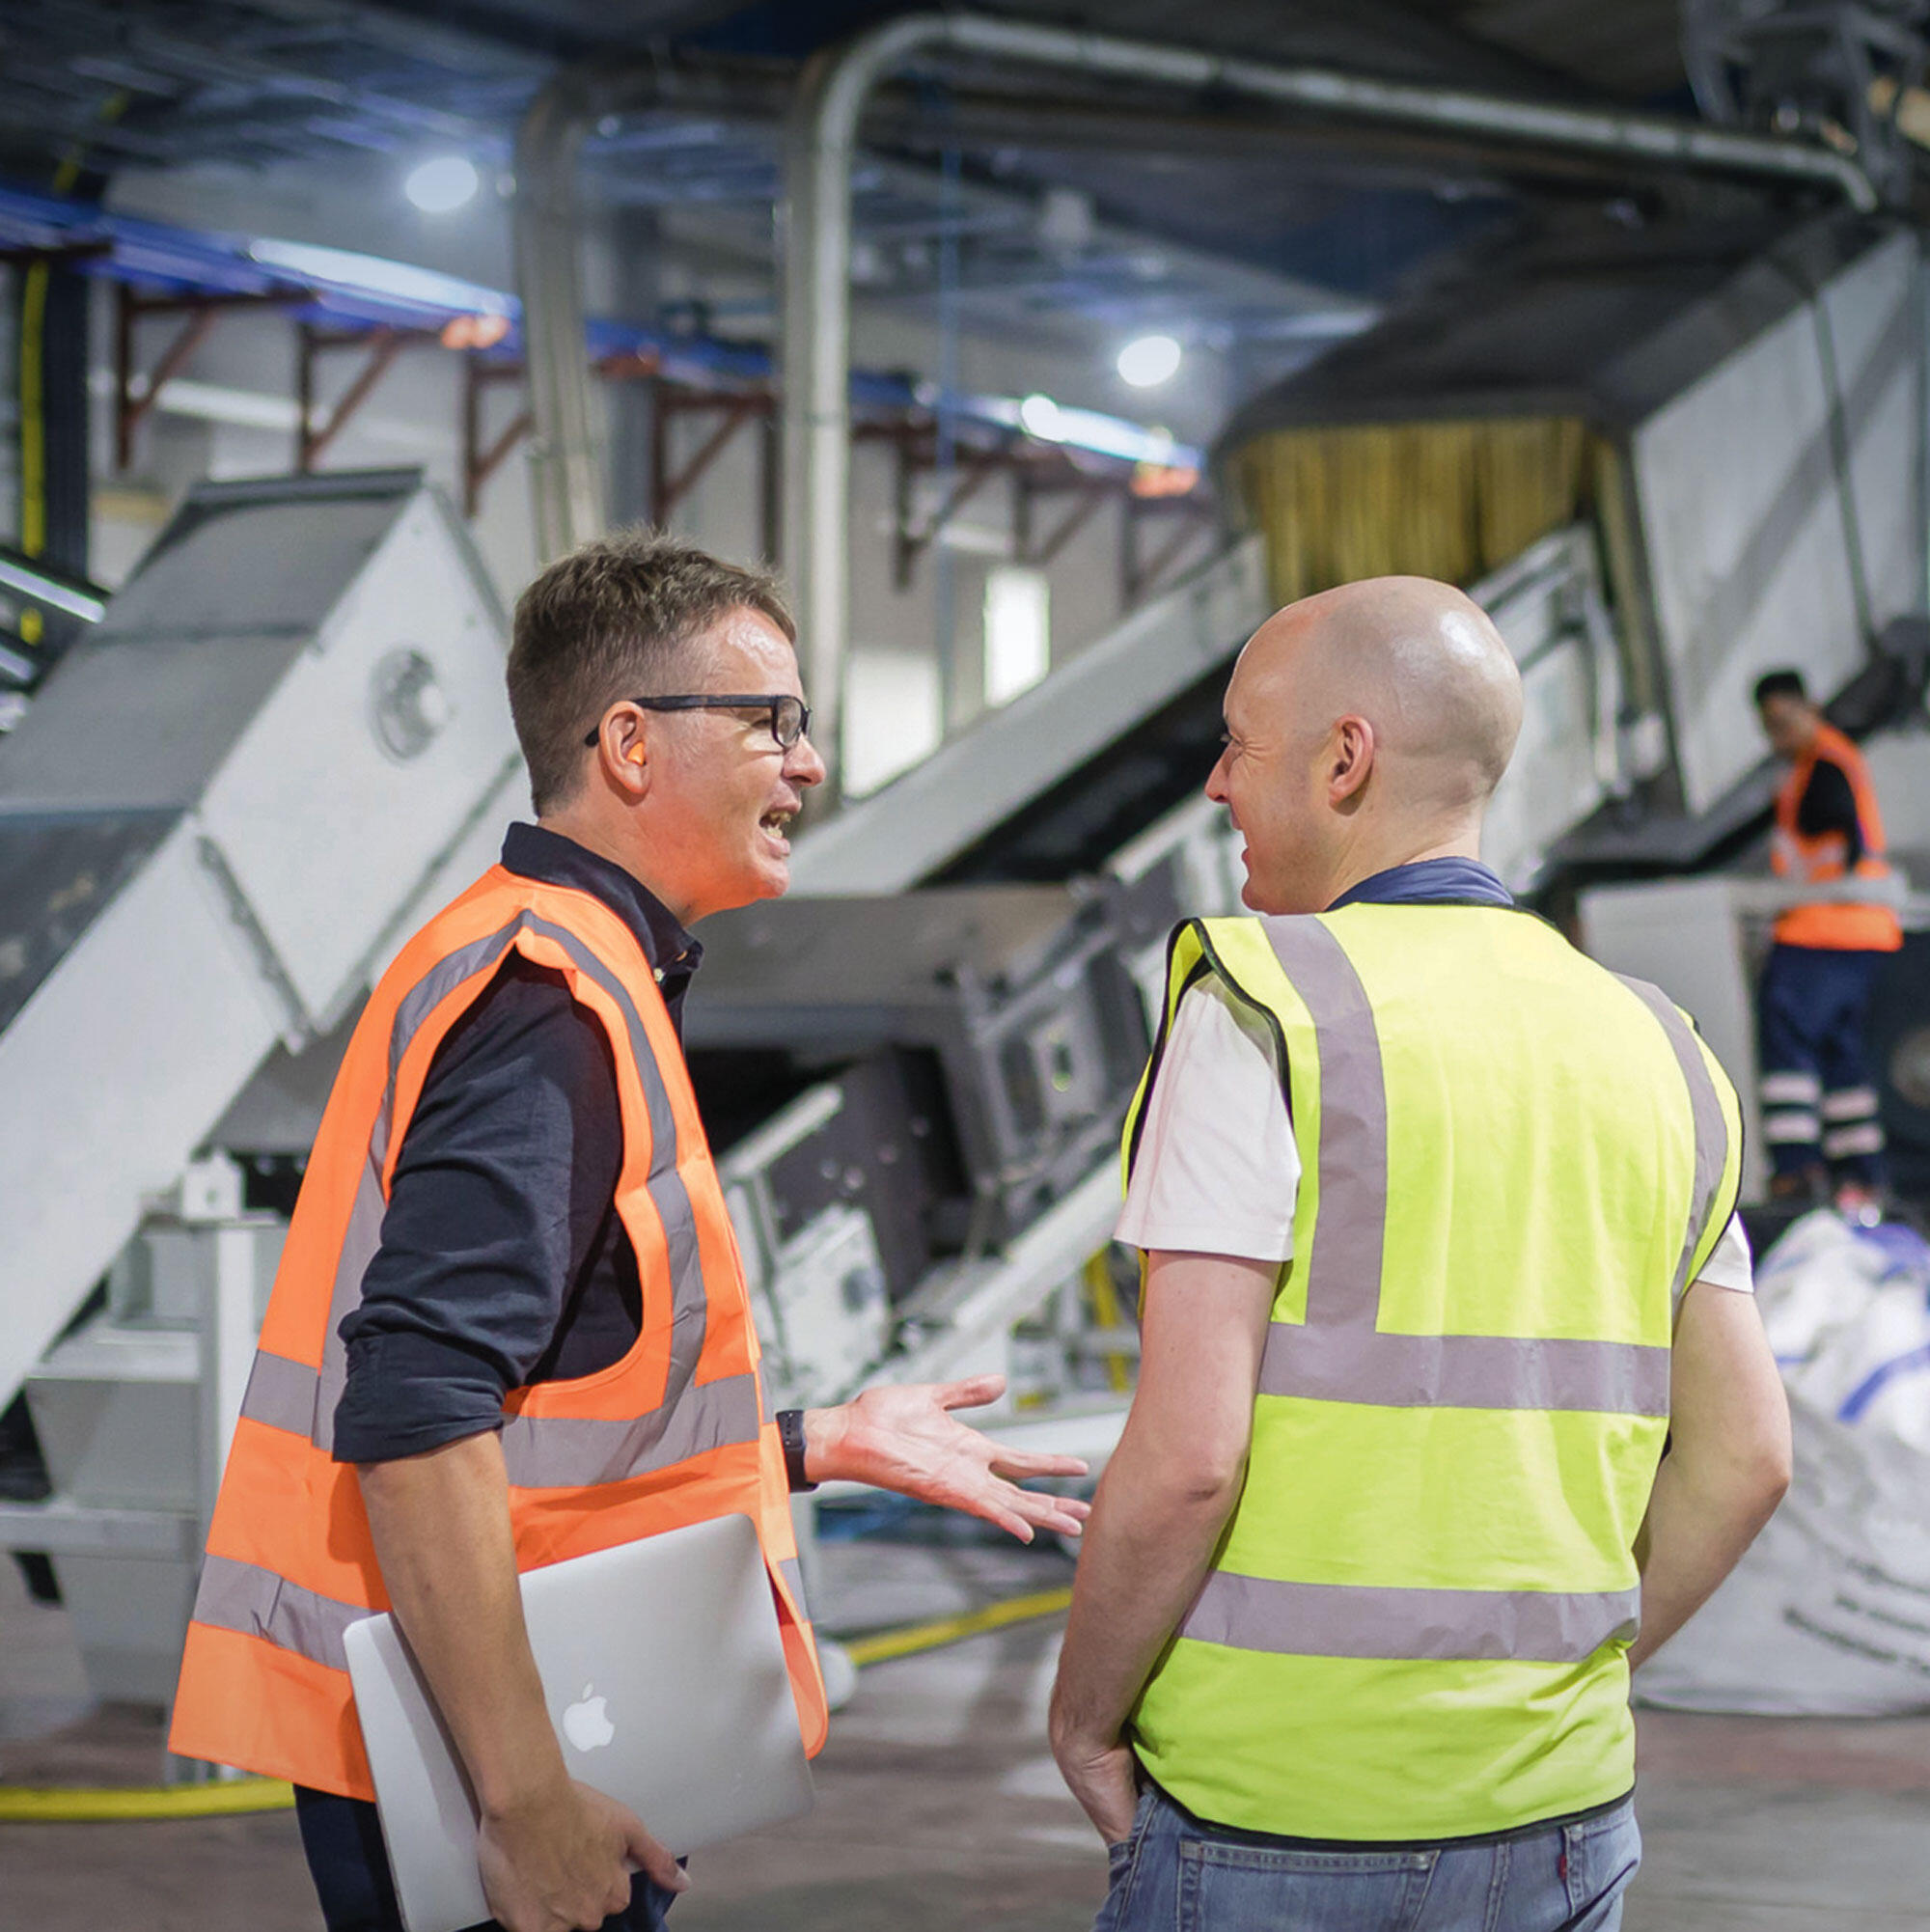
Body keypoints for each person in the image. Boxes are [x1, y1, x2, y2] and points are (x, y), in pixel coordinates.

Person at [169, 532, 1089, 1932]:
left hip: (499, 1711)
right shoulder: (548, 999)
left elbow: (562, 1400)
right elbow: (418, 1412)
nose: (809, 764)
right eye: (773, 721)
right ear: (630, 742)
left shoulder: (547, 956)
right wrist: (528, 1798)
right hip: (487, 1758)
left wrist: (807, 1440)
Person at [1049, 577, 1792, 1931]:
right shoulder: (1664, 1049)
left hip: (1271, 1812)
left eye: (1238, 741)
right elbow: (1748, 1455)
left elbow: (1189, 1454)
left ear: (1344, 759)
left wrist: (1085, 1716)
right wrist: (1573, 1685)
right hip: (1561, 1822)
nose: (1218, 785)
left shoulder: (1261, 1004)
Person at [1752, 668, 1903, 1212]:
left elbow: (1836, 832)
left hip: (1825, 929)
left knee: (1788, 1034)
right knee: (1842, 1058)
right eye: (1769, 727)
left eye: (1782, 721)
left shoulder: (1823, 767)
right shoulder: (1820, 767)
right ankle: (1860, 1173)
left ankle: (1797, 1168)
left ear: (1808, 707)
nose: (1777, 736)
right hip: (1861, 932)